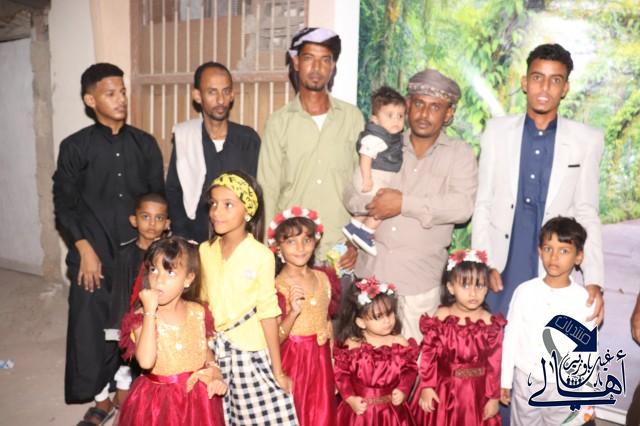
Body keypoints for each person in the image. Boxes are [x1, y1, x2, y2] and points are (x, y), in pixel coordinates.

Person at [52, 63, 164, 423]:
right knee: (92, 329)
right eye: (111, 93)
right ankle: (101, 399)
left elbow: (158, 201)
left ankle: (126, 392)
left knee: (134, 325)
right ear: (91, 100)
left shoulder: (145, 144)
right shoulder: (74, 147)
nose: (121, 99)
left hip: (138, 256)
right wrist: (83, 248)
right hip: (93, 256)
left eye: (123, 92)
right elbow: (64, 205)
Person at [471, 43, 605, 326]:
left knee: (544, 343)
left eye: (555, 80)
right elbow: (483, 204)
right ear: (525, 82)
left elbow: (586, 212)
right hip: (501, 265)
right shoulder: (496, 132)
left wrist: (594, 279)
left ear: (565, 88)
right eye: (537, 77)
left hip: (552, 268)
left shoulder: (586, 140)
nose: (545, 88)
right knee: (494, 343)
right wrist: (484, 263)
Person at [344, 69, 478, 341]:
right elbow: (350, 195)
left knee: (415, 360)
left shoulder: (459, 155)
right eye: (418, 104)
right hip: (372, 280)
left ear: (448, 113)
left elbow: (462, 207)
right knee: (366, 363)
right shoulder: (384, 144)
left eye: (435, 107)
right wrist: (373, 204)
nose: (424, 114)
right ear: (408, 105)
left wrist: (403, 203)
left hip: (418, 285)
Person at [258, 27, 364, 269]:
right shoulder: (278, 122)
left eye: (325, 60)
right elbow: (268, 190)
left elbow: (364, 187)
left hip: (341, 250)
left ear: (333, 65)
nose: (317, 68)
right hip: (292, 250)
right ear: (296, 62)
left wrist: (356, 243)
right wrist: (269, 251)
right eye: (309, 58)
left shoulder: (352, 118)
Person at [199, 171, 299, 425]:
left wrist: (277, 371)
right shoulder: (205, 251)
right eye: (213, 204)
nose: (216, 212)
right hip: (214, 353)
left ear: (248, 211)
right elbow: (201, 304)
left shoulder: (261, 255)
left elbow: (268, 313)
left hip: (250, 353)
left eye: (228, 204)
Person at [117, 236, 226, 425]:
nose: (159, 280)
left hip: (197, 400)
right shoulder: (142, 317)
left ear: (188, 279)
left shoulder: (198, 312)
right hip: (158, 402)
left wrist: (215, 371)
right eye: (154, 270)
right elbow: (146, 361)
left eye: (170, 272)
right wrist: (150, 312)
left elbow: (203, 348)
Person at [500, 217, 596, 425]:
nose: (554, 256)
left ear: (578, 256)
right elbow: (511, 337)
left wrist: (588, 397)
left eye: (564, 250)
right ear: (539, 251)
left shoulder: (583, 300)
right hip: (526, 381)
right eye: (548, 248)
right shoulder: (524, 292)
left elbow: (588, 351)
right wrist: (505, 380)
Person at [166, 61, 261, 243]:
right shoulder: (186, 137)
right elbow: (174, 191)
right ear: (197, 96)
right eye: (212, 92)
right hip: (194, 240)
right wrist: (184, 238)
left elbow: (256, 192)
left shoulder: (248, 139)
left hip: (238, 242)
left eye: (226, 91)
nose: (220, 100)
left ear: (232, 95)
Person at [412, 249, 504, 426]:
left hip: (477, 395)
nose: (473, 293)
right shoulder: (442, 316)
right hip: (443, 391)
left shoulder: (489, 322)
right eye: (465, 285)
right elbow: (429, 354)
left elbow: (495, 363)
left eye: (479, 285)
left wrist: (493, 397)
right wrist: (427, 386)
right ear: (451, 287)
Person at [268, 207, 336, 426]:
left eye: (306, 240)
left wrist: (333, 362)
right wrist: (293, 312)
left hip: (322, 362)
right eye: (291, 241)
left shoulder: (323, 278)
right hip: (294, 361)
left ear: (315, 242)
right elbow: (274, 338)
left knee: (323, 415)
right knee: (298, 413)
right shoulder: (276, 286)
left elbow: (327, 322)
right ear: (277, 246)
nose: (300, 248)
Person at [102, 193, 171, 410]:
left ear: (167, 224)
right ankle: (123, 386)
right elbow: (119, 294)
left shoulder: (170, 254)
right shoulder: (125, 254)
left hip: (162, 320)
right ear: (134, 220)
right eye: (145, 217)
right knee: (129, 358)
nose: (152, 224)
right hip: (133, 320)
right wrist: (119, 326)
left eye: (159, 218)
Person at [334, 277, 419, 425]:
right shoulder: (353, 345)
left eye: (390, 313)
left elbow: (410, 369)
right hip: (360, 414)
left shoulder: (399, 343)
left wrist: (403, 389)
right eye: (378, 317)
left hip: (391, 414)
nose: (387, 321)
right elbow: (341, 374)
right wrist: (350, 398)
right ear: (361, 322)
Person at [342, 86, 406, 256]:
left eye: (400, 116)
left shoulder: (391, 138)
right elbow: (365, 156)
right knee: (383, 205)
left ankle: (354, 225)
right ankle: (366, 232)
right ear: (375, 119)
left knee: (374, 205)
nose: (396, 120)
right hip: (371, 177)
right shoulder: (376, 137)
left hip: (376, 177)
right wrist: (367, 178)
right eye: (390, 115)